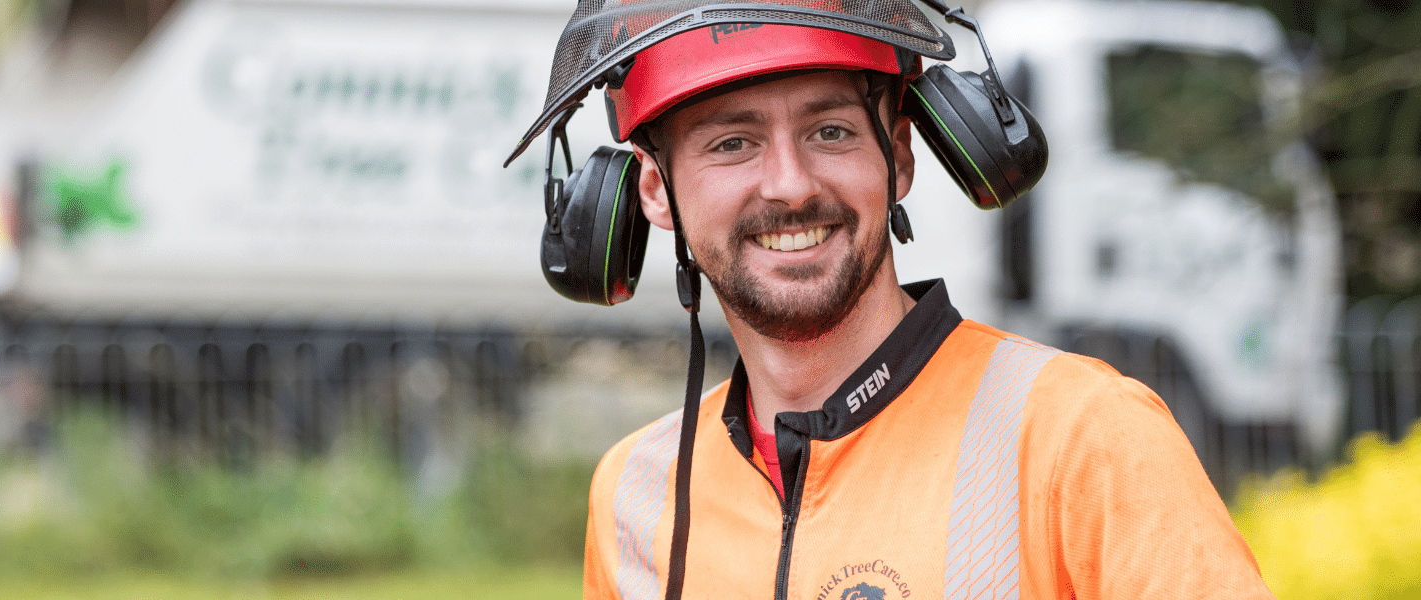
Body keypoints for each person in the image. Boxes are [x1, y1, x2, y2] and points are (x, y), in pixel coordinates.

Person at [507, 1, 1276, 598]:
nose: (791, 185)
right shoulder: (635, 494)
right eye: (732, 143)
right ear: (655, 192)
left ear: (900, 156)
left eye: (831, 132)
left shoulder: (1081, 437)